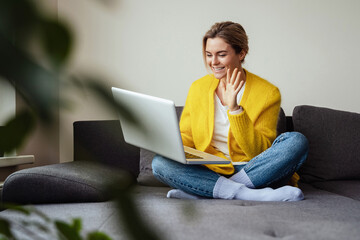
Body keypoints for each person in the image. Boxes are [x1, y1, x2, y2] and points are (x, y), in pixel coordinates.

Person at [152, 21, 309, 201]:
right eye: (209, 55)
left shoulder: (267, 92)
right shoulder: (198, 88)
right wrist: (165, 142)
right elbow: (187, 137)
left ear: (241, 53)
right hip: (209, 169)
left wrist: (235, 110)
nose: (213, 62)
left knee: (297, 141)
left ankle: (208, 190)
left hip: (252, 169)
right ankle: (245, 193)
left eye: (221, 54)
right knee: (159, 163)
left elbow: (259, 152)